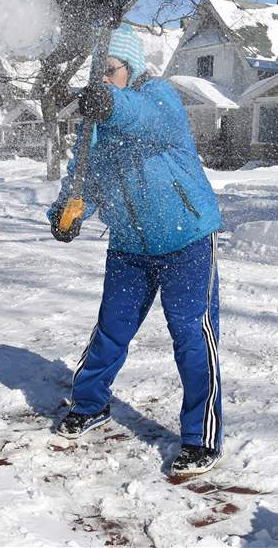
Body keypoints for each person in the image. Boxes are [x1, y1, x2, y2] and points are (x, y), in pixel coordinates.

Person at [46, 24, 225, 476]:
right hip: (129, 244)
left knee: (191, 335)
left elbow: (146, 118)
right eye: (98, 75)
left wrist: (109, 104)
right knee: (110, 329)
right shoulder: (95, 125)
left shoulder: (158, 96)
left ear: (132, 68)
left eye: (111, 71)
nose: (104, 80)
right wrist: (67, 213)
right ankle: (89, 405)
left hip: (186, 239)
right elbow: (81, 178)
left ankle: (201, 438)